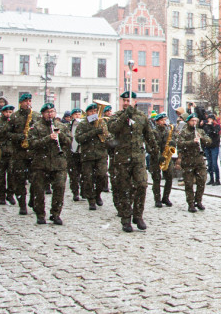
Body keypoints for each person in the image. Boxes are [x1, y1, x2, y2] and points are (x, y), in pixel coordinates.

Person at [108, 92, 157, 231]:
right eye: (124, 100)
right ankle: (126, 219)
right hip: (122, 159)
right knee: (124, 189)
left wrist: (155, 152)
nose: (126, 102)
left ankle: (138, 215)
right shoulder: (117, 117)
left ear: (134, 101)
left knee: (142, 185)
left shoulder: (141, 117)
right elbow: (113, 128)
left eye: (128, 100)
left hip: (138, 158)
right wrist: (125, 116)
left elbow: (149, 136)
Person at [28, 103, 70, 225]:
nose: (50, 114)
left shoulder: (61, 126)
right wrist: (48, 138)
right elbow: (32, 144)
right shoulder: (36, 127)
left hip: (58, 163)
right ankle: (40, 214)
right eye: (47, 112)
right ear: (42, 114)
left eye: (52, 111)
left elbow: (69, 142)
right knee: (39, 191)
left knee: (59, 188)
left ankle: (56, 214)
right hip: (41, 164)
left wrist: (60, 135)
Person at [75, 102, 111, 211]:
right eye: (91, 111)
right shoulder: (82, 124)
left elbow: (107, 135)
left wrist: (106, 136)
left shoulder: (101, 122)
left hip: (101, 154)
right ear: (87, 113)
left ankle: (97, 194)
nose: (94, 113)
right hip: (88, 155)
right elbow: (78, 138)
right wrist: (92, 132)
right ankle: (91, 200)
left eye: (95, 111)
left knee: (102, 175)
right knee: (88, 179)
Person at [176, 111, 210, 212]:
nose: (194, 122)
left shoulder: (200, 131)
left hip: (199, 159)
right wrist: (191, 142)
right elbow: (180, 144)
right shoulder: (184, 132)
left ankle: (198, 200)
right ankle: (190, 203)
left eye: (196, 121)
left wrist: (202, 138)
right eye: (192, 121)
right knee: (189, 183)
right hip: (188, 159)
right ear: (188, 122)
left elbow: (209, 141)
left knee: (202, 180)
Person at [8, 93, 35, 215]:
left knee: (35, 179)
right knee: (19, 180)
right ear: (21, 103)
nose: (28, 103)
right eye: (26, 101)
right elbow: (7, 134)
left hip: (33, 153)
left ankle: (33, 200)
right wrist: (19, 137)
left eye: (29, 101)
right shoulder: (14, 117)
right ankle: (22, 205)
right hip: (19, 153)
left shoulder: (35, 116)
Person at [150, 112, 176, 206]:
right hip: (156, 158)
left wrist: (173, 145)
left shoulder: (168, 130)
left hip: (166, 158)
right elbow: (151, 146)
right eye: (162, 120)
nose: (164, 122)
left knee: (169, 177)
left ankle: (166, 197)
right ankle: (157, 199)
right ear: (157, 122)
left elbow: (173, 142)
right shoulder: (153, 132)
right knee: (156, 179)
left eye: (165, 120)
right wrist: (158, 156)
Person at [67, 108, 83, 201]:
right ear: (72, 116)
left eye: (79, 114)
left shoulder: (83, 124)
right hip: (72, 152)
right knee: (73, 175)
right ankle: (75, 192)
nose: (77, 116)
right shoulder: (68, 126)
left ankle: (84, 191)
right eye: (75, 114)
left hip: (81, 152)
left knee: (83, 174)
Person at [202, 112, 221, 185]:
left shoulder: (217, 126)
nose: (209, 120)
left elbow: (215, 133)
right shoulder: (206, 126)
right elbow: (205, 134)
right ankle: (211, 179)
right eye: (208, 119)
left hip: (214, 146)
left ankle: (217, 179)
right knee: (209, 163)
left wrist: (211, 126)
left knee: (214, 163)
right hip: (208, 146)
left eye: (211, 119)